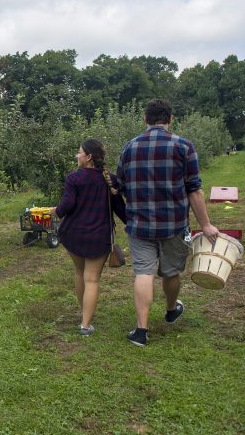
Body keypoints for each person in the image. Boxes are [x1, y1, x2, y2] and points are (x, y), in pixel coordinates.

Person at [117, 99, 219, 347]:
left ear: (145, 119)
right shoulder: (184, 146)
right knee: (171, 272)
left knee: (143, 273)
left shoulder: (129, 147)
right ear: (170, 119)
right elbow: (194, 190)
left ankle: (141, 331)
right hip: (173, 224)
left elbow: (120, 185)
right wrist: (206, 225)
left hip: (140, 226)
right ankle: (171, 309)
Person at [53, 139, 126, 336]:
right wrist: (134, 224)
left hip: (73, 235)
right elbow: (120, 208)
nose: (77, 156)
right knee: (92, 279)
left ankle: (83, 311)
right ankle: (85, 324)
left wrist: (55, 211)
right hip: (99, 237)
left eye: (79, 152)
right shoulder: (109, 179)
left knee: (79, 272)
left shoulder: (74, 178)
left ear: (89, 157)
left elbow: (66, 206)